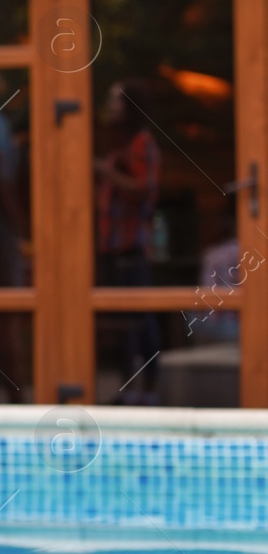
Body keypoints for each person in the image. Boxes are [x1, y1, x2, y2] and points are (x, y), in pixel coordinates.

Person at [95, 79, 163, 402]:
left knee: (140, 318)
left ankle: (150, 385)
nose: (109, 105)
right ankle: (130, 388)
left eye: (115, 99)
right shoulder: (120, 145)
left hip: (132, 246)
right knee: (123, 320)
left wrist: (106, 173)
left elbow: (144, 189)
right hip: (111, 245)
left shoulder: (142, 145)